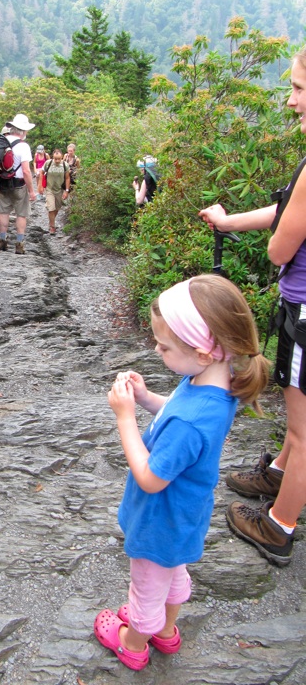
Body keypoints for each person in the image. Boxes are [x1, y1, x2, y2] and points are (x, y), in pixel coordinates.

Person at [94, 275, 269, 671]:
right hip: (185, 517)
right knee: (173, 574)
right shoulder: (215, 387)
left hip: (160, 518)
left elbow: (151, 478)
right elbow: (175, 411)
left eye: (165, 346)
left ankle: (134, 642)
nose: (156, 350)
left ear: (205, 352)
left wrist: (124, 418)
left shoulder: (191, 421)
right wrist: (144, 399)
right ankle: (167, 631)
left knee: (147, 586)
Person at [197, 45, 306, 567]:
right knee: (297, 414)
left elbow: (280, 247)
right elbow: (286, 211)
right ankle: (278, 475)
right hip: (299, 311)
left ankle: (278, 526)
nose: (291, 101)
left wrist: (266, 238)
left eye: (300, 89)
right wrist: (228, 220)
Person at [0, 113, 36, 255]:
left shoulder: (1, 142)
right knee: (21, 214)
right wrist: (31, 191)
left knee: (3, 212)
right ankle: (19, 244)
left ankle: (2, 240)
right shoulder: (23, 146)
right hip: (19, 185)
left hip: (2, 183)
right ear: (23, 131)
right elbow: (26, 171)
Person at [38, 149, 70, 234]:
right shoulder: (48, 163)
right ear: (53, 157)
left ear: (62, 157)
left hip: (59, 190)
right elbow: (41, 173)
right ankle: (52, 226)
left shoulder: (64, 165)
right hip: (49, 189)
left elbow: (67, 178)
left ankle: (51, 221)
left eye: (59, 158)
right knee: (51, 208)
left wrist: (66, 191)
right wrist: (40, 186)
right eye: (55, 159)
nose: (57, 161)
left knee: (57, 208)